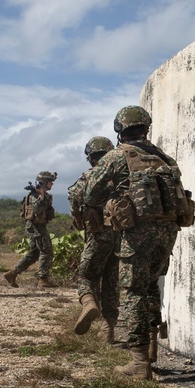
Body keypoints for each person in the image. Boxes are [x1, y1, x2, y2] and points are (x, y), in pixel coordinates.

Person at [82, 106, 183, 379]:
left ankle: (139, 364)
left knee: (133, 292)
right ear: (146, 127)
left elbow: (91, 192)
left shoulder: (118, 155)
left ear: (119, 129)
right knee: (150, 286)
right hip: (168, 231)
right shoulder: (165, 157)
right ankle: (151, 350)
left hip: (137, 233)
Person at [68, 137, 120, 343]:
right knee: (111, 281)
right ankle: (108, 330)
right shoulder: (120, 176)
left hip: (98, 234)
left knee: (86, 275)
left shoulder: (90, 176)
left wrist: (78, 217)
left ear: (90, 157)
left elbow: (74, 197)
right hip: (121, 235)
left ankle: (89, 303)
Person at [4, 171, 57, 288]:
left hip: (37, 226)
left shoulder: (41, 194)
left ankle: (12, 274)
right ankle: (43, 279)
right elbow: (37, 210)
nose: (52, 184)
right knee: (47, 251)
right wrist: (41, 196)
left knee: (33, 254)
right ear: (44, 182)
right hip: (36, 227)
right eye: (50, 182)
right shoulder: (35, 195)